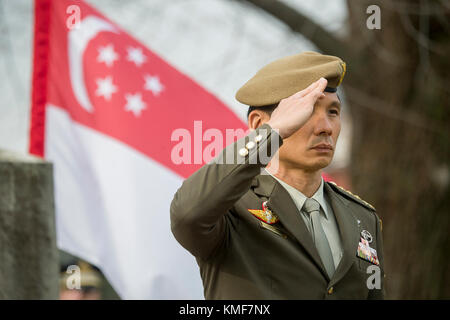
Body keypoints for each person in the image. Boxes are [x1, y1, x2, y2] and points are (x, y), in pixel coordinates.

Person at [170, 51, 385, 299]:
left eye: (333, 112)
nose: (326, 127)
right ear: (259, 123)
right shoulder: (230, 208)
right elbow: (186, 215)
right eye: (307, 111)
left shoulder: (361, 217)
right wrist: (271, 133)